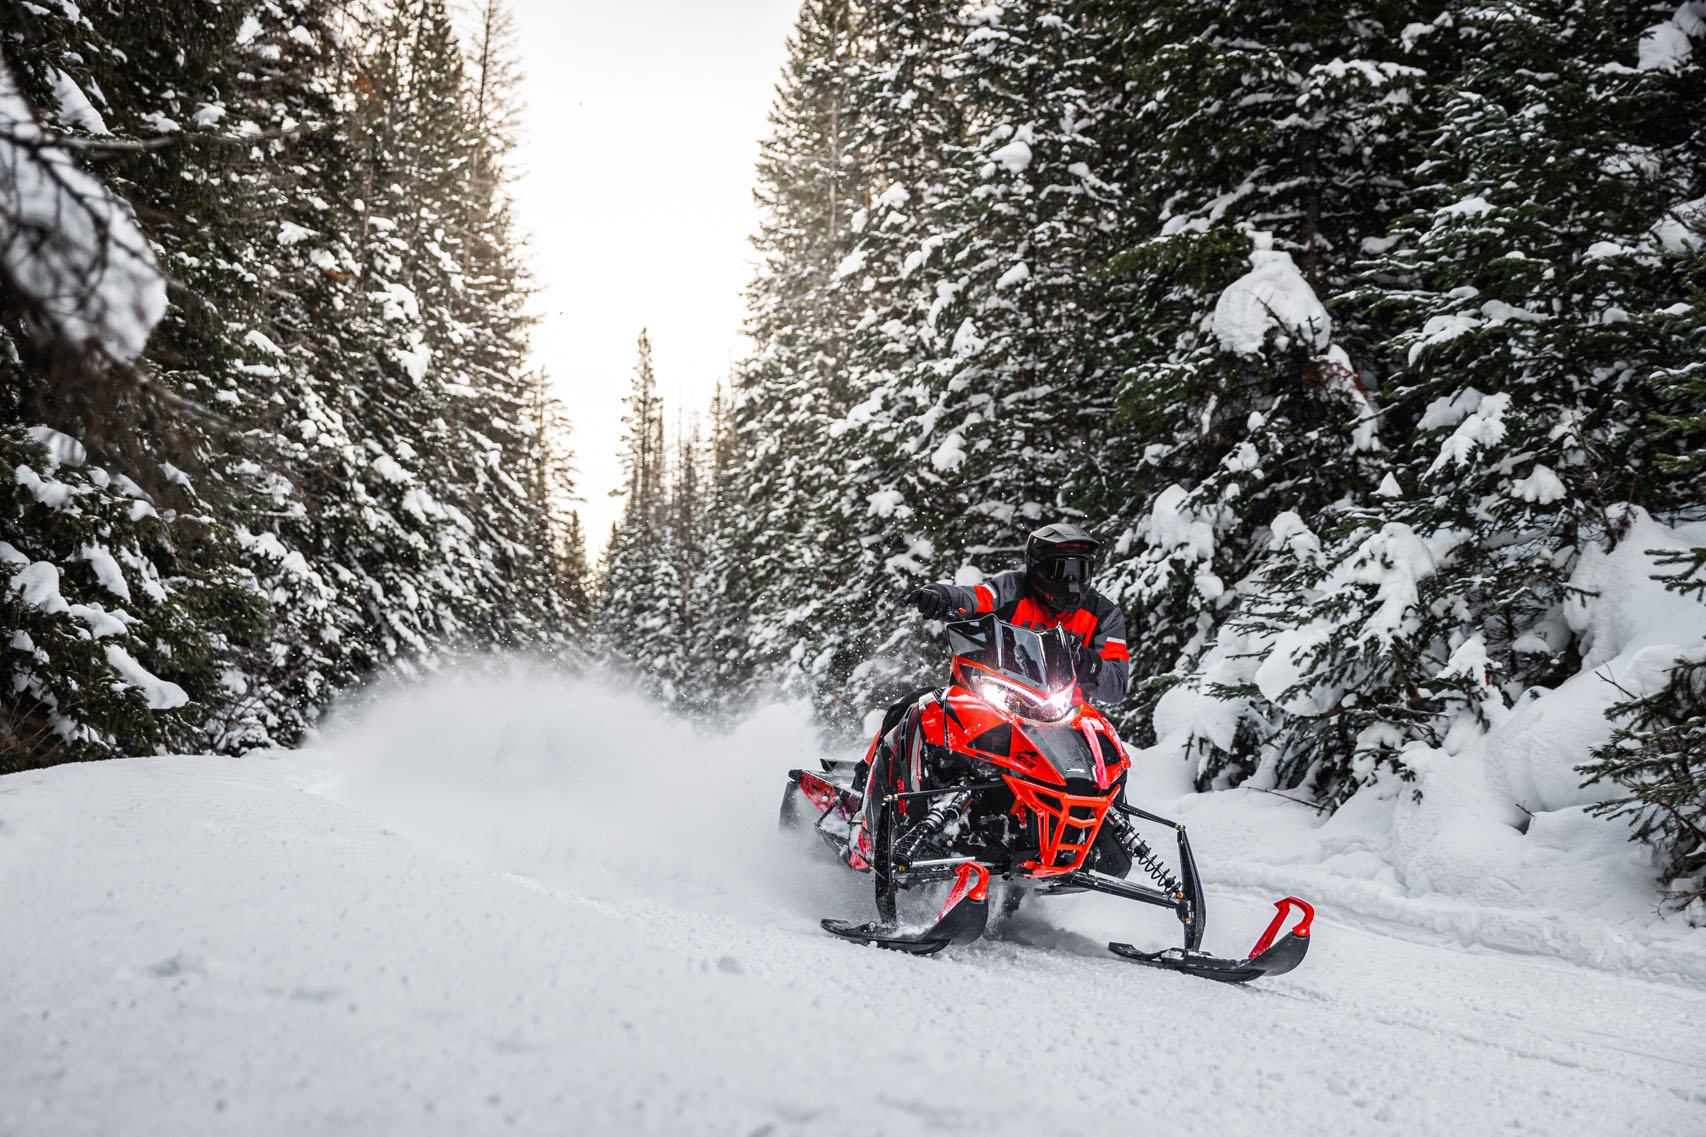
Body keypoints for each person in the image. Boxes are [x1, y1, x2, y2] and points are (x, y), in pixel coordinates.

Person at [906, 521, 1129, 705]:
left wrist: (1085, 659)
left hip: (1064, 715)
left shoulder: (1104, 615)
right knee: (916, 707)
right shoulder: (1011, 588)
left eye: (1079, 570)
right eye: (1060, 570)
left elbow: (1117, 687)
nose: (1071, 581)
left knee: (1107, 750)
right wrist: (940, 595)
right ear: (1036, 566)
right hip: (995, 701)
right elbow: (974, 598)